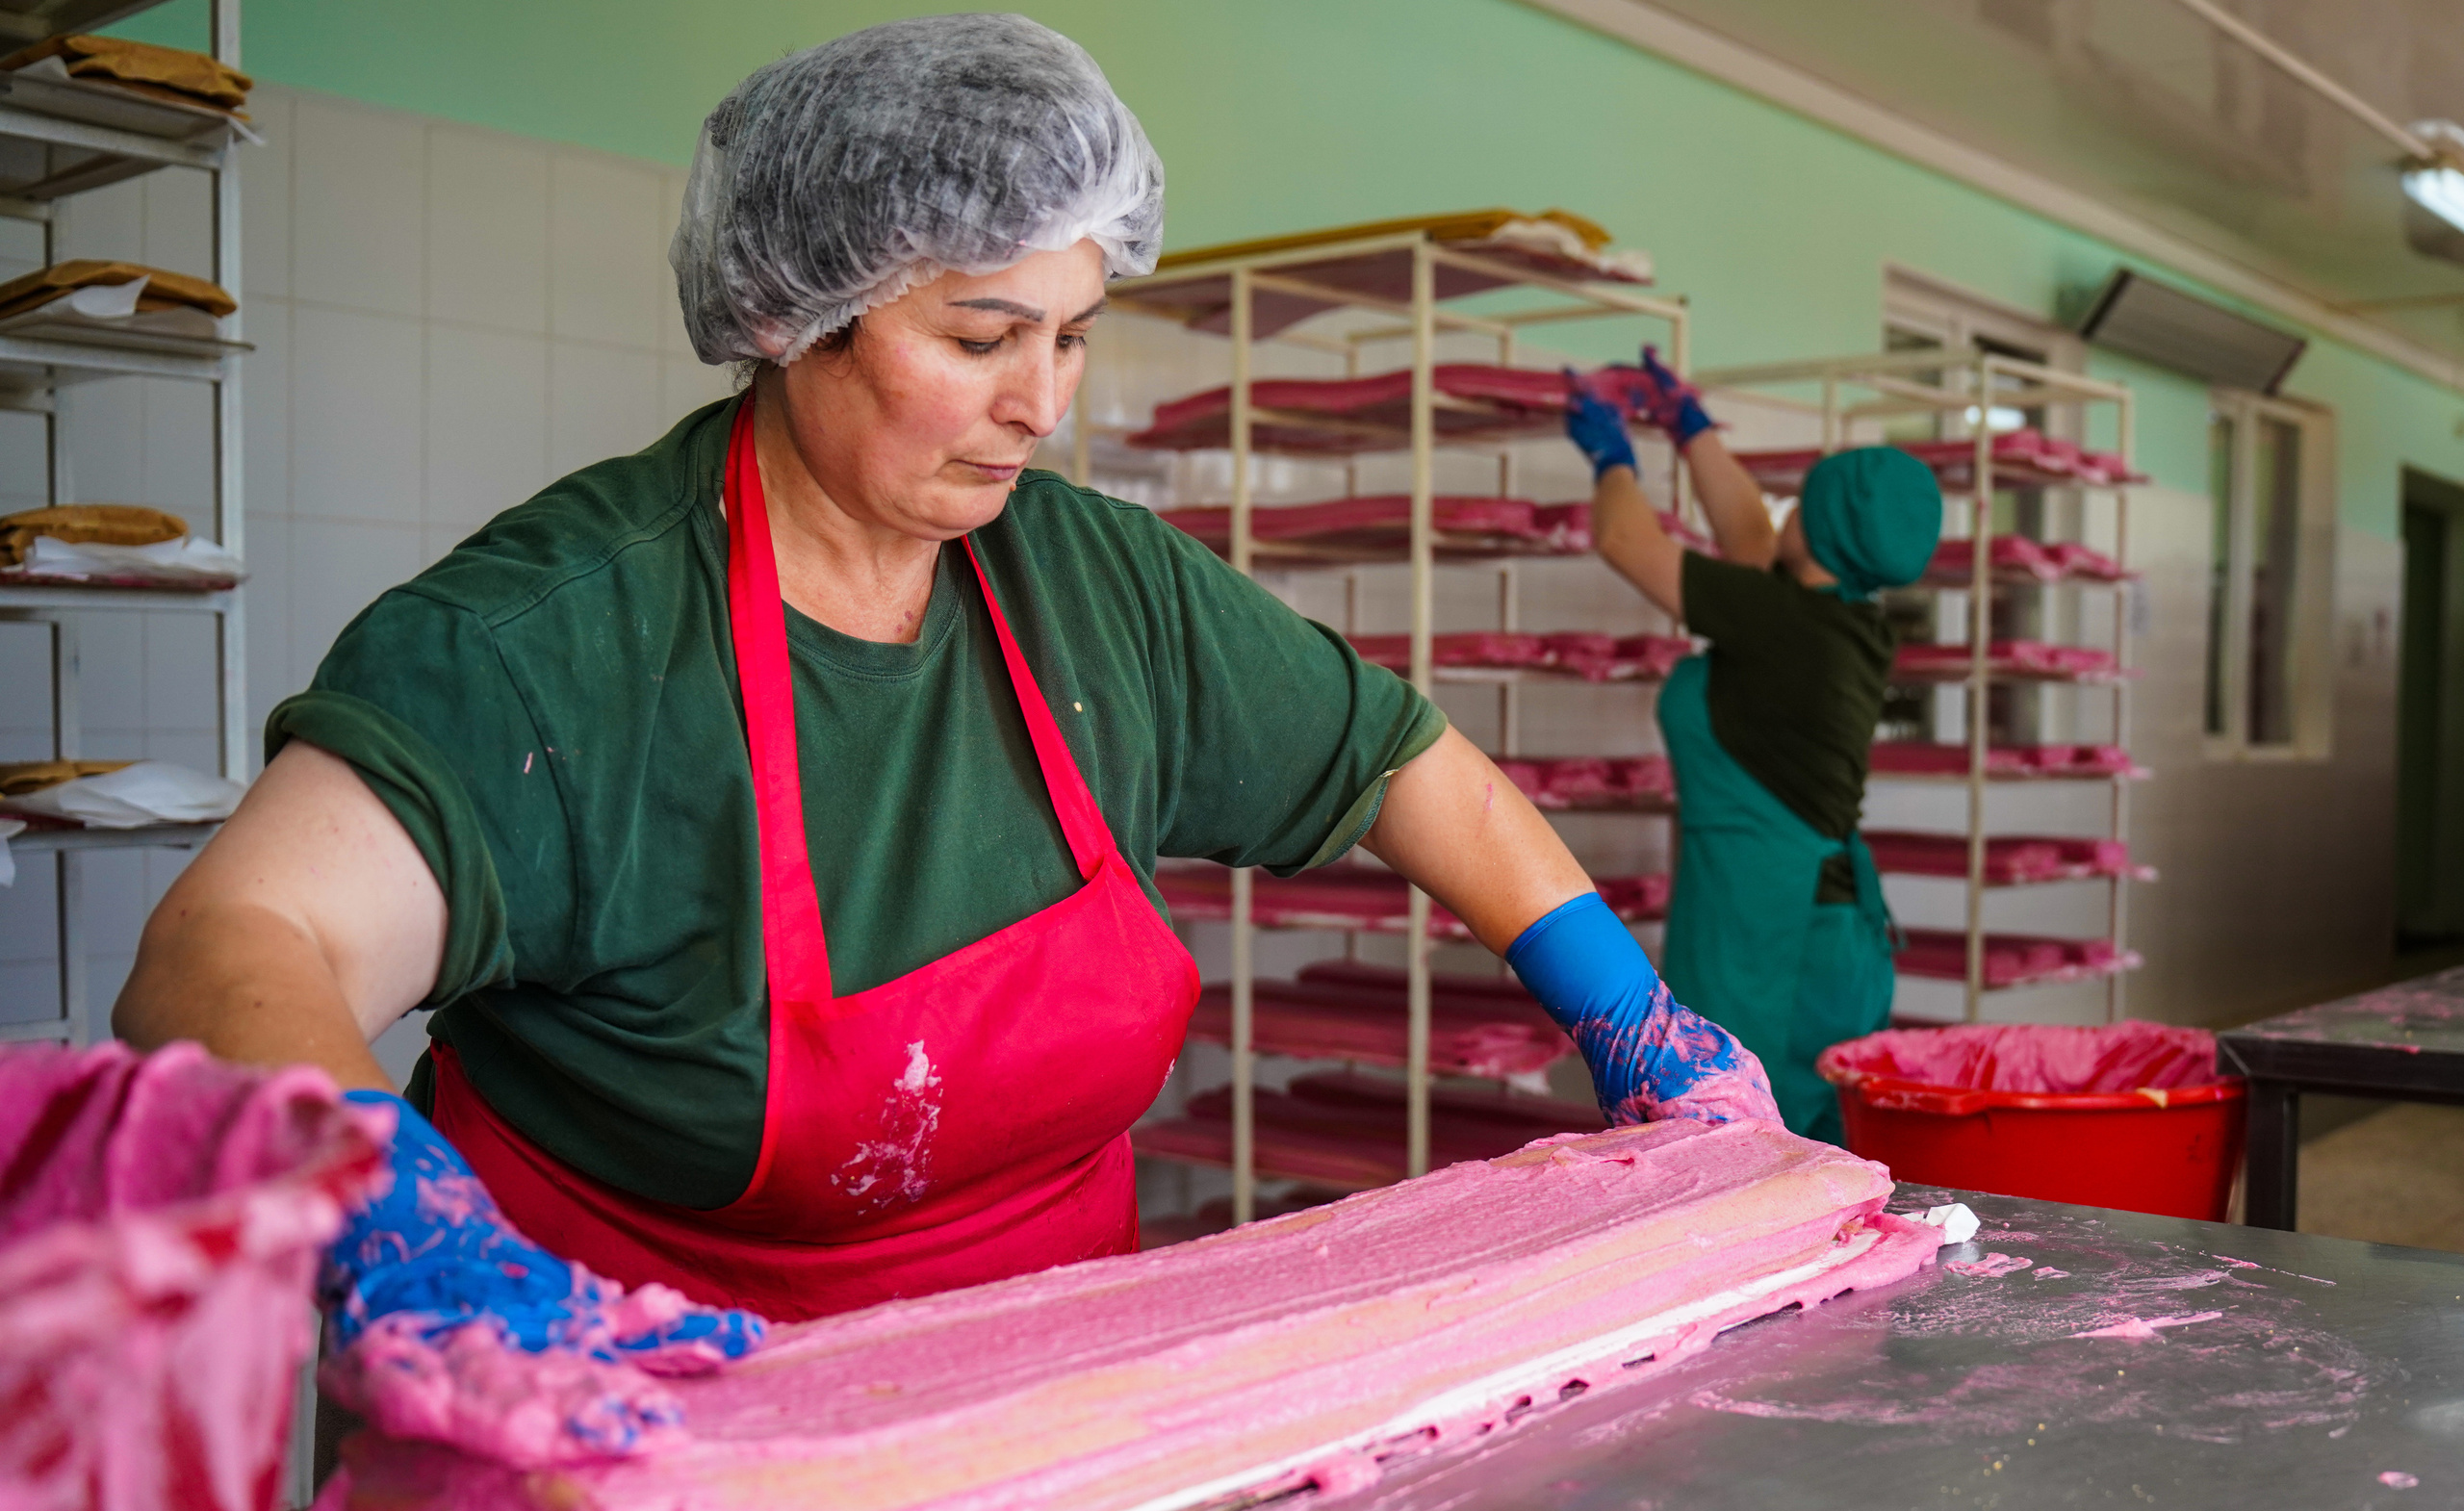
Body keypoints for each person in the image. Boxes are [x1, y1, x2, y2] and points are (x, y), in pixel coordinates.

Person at [116, 17, 1779, 1357]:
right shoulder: (564, 642)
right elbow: (233, 944)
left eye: (1070, 334)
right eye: (983, 339)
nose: (1040, 403)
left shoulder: (1096, 585)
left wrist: (1628, 1017)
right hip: (632, 1415)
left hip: (1035, 1401)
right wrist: (397, 1220)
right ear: (796, 316)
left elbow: (1413, 764)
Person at [1565, 349, 1942, 1142]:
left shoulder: (1785, 624)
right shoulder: (1837, 617)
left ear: (1821, 527)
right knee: (1781, 1152)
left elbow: (1626, 541)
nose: (1783, 514)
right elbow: (1751, 536)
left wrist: (1613, 457)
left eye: (1802, 504)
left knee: (1756, 1151)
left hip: (1777, 942)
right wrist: (1689, 425)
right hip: (1810, 927)